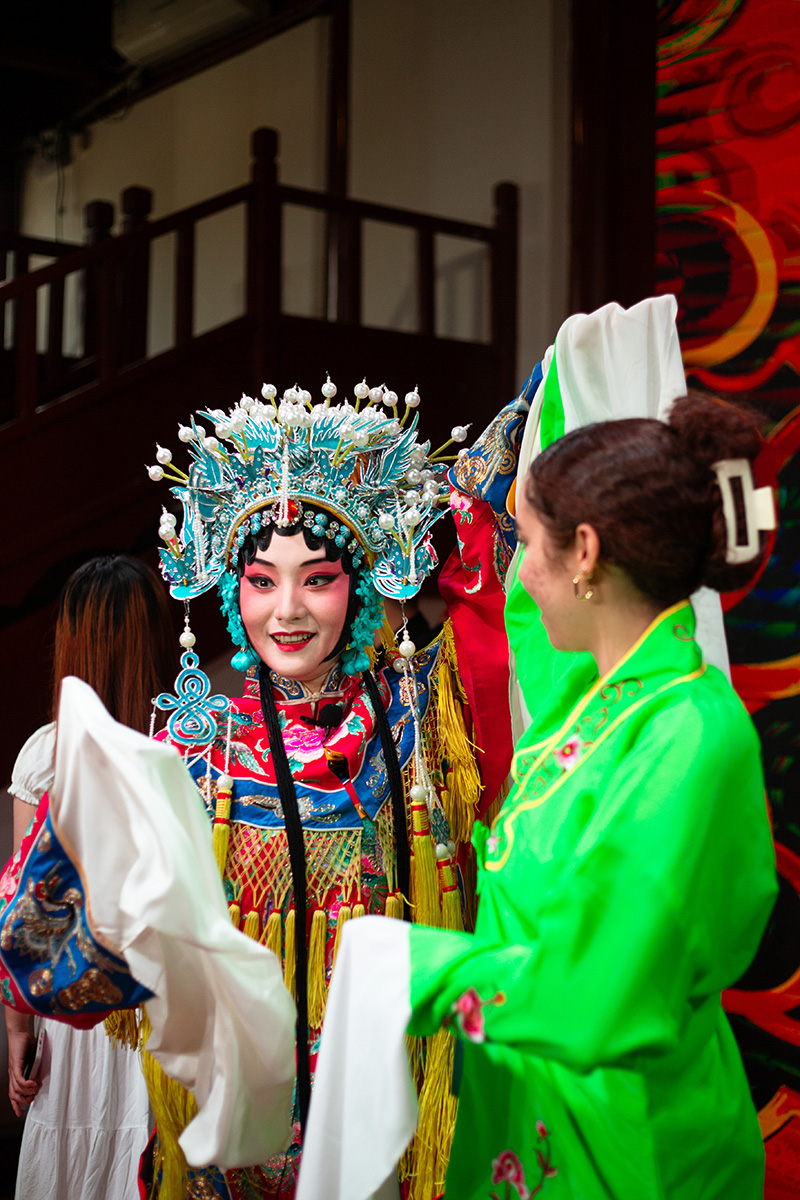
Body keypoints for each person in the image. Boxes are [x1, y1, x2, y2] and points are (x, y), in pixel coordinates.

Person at [295, 304, 779, 1200]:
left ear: (585, 554)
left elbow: (606, 988)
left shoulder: (690, 734)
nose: (515, 572)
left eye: (529, 543)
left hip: (630, 1142)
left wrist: (415, 965)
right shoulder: (594, 708)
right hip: (537, 1111)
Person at [4, 555, 176, 1200]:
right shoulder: (194, 740)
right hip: (160, 1004)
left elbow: (27, 914)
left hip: (76, 1002)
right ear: (155, 633)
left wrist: (19, 1034)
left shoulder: (47, 752)